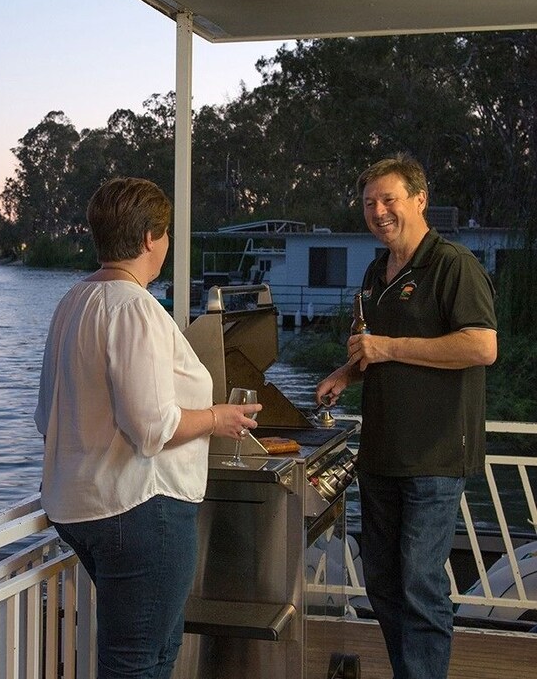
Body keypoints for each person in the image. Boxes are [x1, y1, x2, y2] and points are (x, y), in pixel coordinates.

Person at [34, 177, 262, 679]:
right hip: (139, 510)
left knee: (155, 650)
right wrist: (218, 418)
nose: (164, 248)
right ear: (148, 240)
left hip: (79, 506)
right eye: (164, 236)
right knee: (139, 662)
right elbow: (152, 428)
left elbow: (43, 416)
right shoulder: (135, 308)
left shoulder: (73, 302)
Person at [316, 153, 497, 679]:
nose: (378, 211)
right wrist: (345, 374)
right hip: (381, 456)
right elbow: (377, 350)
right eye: (370, 203)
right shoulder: (377, 270)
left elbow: (482, 346)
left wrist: (388, 347)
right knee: (384, 586)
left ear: (419, 199)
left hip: (434, 456)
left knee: (420, 587)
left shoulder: (452, 264)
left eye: (389, 199)